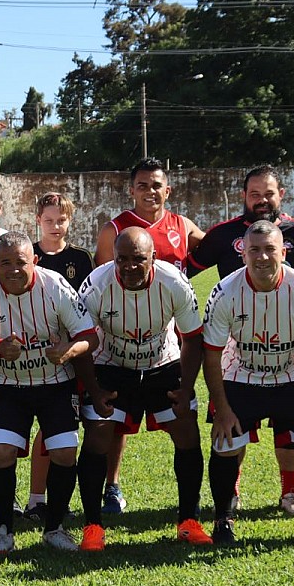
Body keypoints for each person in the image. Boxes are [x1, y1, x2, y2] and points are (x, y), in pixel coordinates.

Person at [186, 165, 294, 518]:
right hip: (238, 351)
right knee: (232, 429)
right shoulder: (221, 235)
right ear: (244, 197)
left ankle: (290, 493)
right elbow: (184, 272)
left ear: (281, 196)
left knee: (290, 432)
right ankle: (230, 494)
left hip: (289, 346)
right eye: (255, 194)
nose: (262, 201)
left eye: (269, 194)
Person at [0, 232, 98, 554]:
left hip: (55, 383)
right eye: (5, 263)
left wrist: (68, 350)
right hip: (8, 386)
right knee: (2, 453)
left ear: (33, 261)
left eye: (21, 262)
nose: (14, 269)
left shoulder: (56, 286)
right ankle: (3, 529)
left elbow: (90, 337)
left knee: (64, 453)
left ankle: (54, 528)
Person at [202, 222, 294, 546]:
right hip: (242, 374)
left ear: (283, 251)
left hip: (291, 373)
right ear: (243, 253)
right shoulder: (224, 292)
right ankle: (223, 520)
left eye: (270, 249)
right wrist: (221, 409)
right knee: (225, 442)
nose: (262, 257)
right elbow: (211, 356)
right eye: (255, 250)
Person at [77, 228, 211, 550]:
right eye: (122, 259)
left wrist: (187, 386)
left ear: (154, 257)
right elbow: (80, 339)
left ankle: (189, 521)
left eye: (138, 259)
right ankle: (93, 526)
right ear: (113, 258)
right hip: (112, 363)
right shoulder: (96, 285)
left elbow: (193, 338)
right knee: (98, 433)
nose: (130, 266)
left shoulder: (175, 282)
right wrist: (94, 391)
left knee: (186, 431)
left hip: (161, 364)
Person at [94, 158, 204, 515]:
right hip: (120, 335)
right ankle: (111, 487)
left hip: (167, 338)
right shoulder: (116, 229)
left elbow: (216, 249)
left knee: (182, 421)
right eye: (142, 185)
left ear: (167, 190)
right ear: (132, 189)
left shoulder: (181, 225)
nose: (149, 191)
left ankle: (192, 510)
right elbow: (105, 282)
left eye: (156, 185)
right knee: (114, 423)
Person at [25, 192, 95, 521]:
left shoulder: (81, 259)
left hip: (71, 357)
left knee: (64, 429)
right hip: (27, 357)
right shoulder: (27, 255)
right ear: (37, 220)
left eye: (61, 220)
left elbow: (86, 310)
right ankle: (36, 498)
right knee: (39, 429)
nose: (55, 226)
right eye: (49, 220)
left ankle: (56, 499)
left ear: (70, 220)